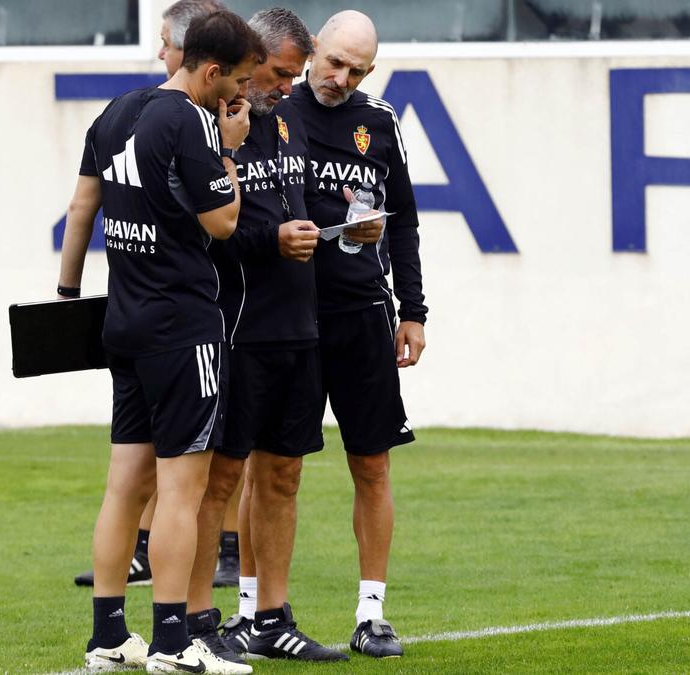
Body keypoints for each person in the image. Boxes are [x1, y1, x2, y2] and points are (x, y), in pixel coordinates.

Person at [56, 9, 264, 673]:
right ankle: (174, 642)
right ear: (210, 70)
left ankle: (109, 636)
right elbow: (224, 221)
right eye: (237, 81)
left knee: (125, 486)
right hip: (183, 327)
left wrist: (66, 294)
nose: (240, 94)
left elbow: (82, 207)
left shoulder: (115, 113)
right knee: (181, 489)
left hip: (125, 321)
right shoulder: (192, 122)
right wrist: (230, 148)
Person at [205, 8, 357, 663]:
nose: (287, 86)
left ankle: (271, 617)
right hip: (239, 328)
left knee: (285, 476)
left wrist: (346, 224)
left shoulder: (289, 118)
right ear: (249, 58)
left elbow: (295, 209)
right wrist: (271, 239)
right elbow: (206, 232)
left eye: (295, 75)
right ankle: (199, 622)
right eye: (277, 73)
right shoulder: (211, 125)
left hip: (299, 325)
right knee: (220, 480)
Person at [287, 9, 428, 658]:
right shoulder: (272, 112)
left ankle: (372, 614)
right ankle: (257, 611)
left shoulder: (379, 121)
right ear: (313, 49)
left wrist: (413, 310)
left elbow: (404, 222)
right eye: (335, 62)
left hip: (362, 313)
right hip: (285, 316)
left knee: (371, 463)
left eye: (358, 71)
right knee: (274, 467)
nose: (341, 78)